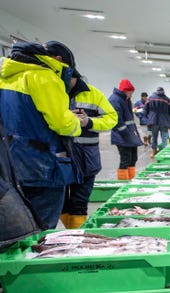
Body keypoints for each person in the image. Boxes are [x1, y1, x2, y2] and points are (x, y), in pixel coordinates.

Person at [0, 42, 81, 229]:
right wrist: (78, 123)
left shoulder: (6, 76)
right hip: (41, 163)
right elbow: (62, 123)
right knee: (42, 227)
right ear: (58, 60)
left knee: (16, 226)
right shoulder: (44, 77)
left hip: (9, 164)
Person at [44, 40, 117, 229]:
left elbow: (112, 118)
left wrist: (89, 122)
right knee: (59, 203)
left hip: (86, 159)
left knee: (79, 203)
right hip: (57, 158)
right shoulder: (49, 91)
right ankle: (70, 233)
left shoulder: (93, 94)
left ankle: (76, 239)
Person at [109, 79, 143, 180]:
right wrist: (126, 134)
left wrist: (133, 134)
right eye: (131, 93)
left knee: (133, 159)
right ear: (126, 91)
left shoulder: (126, 100)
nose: (131, 95)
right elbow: (118, 121)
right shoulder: (115, 100)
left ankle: (131, 180)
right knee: (125, 160)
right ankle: (123, 182)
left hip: (130, 135)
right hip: (122, 136)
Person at [145, 86, 170, 158]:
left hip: (153, 121)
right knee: (164, 138)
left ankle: (153, 153)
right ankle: (164, 154)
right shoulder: (167, 99)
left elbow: (145, 109)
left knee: (154, 137)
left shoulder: (150, 98)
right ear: (163, 91)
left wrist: (149, 117)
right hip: (164, 121)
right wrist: (167, 116)